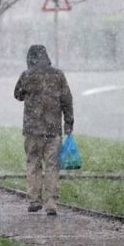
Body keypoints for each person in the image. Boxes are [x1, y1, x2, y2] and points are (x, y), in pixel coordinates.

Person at [14, 45, 73, 216]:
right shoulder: (58, 75)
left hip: (33, 129)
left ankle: (34, 200)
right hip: (53, 129)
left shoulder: (27, 75)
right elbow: (67, 99)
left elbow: (17, 95)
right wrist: (69, 122)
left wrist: (29, 91)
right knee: (52, 165)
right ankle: (51, 202)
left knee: (33, 163)